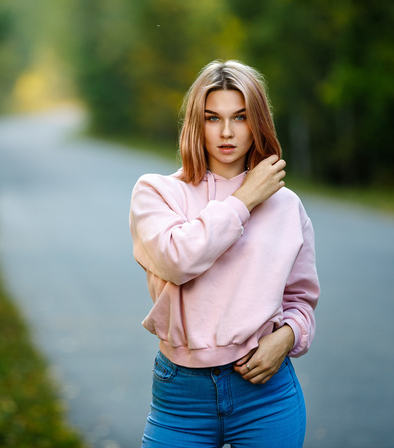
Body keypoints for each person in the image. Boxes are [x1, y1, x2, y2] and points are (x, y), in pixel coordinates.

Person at [129, 60, 320, 447]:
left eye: (241, 117)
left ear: (258, 123)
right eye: (213, 118)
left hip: (265, 393)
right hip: (181, 398)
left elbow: (301, 299)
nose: (227, 133)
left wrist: (288, 336)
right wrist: (245, 199)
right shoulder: (157, 193)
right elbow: (177, 261)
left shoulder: (286, 206)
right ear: (197, 124)